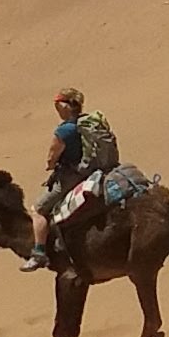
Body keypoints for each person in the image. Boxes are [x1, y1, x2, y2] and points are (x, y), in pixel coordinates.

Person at [31, 86, 116, 270]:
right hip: (90, 171)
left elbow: (51, 158)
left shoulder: (64, 131)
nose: (57, 109)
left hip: (71, 175)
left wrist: (50, 164)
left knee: (39, 210)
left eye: (57, 105)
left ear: (65, 106)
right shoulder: (86, 122)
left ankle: (39, 253)